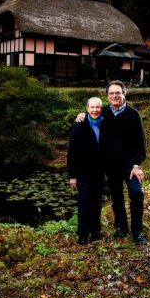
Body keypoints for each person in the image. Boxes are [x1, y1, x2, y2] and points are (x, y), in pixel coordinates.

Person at [77, 80, 147, 245]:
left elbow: (141, 143)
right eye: (111, 93)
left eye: (118, 93)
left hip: (130, 165)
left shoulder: (133, 114)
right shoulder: (104, 113)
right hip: (110, 165)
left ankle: (137, 231)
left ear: (124, 94)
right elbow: (91, 117)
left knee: (136, 193)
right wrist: (81, 116)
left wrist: (137, 165)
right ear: (107, 96)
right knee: (116, 198)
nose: (115, 96)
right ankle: (121, 227)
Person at [67, 97, 104, 245]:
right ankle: (82, 234)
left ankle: (96, 232)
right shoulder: (80, 125)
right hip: (83, 171)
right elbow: (72, 152)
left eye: (97, 107)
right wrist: (72, 176)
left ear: (101, 109)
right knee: (84, 203)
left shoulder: (105, 122)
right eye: (92, 107)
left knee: (97, 202)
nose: (95, 110)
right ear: (87, 109)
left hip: (99, 171)